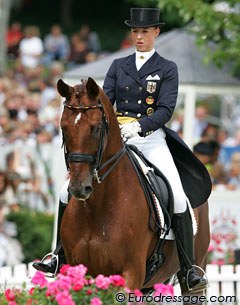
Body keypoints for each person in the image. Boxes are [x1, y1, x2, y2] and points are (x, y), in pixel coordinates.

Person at [33, 8, 212, 293]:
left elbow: (166, 108)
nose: (139, 37)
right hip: (118, 139)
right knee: (64, 191)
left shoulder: (167, 68)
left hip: (151, 139)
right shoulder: (118, 65)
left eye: (145, 32)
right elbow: (105, 101)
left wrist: (140, 126)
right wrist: (113, 127)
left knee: (178, 196)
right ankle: (58, 255)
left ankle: (188, 269)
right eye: (136, 32)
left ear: (155, 33)